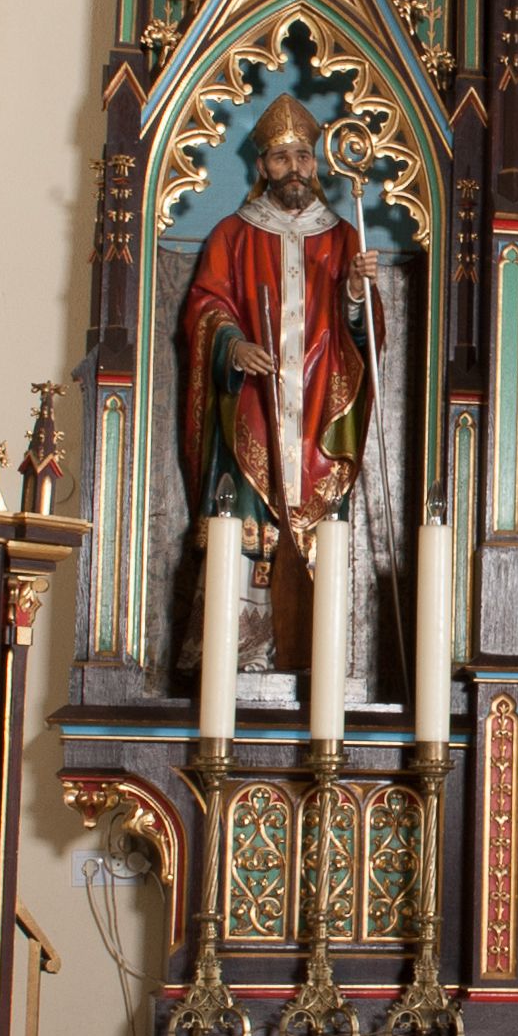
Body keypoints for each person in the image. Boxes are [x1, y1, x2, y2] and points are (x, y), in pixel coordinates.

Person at [181, 95, 382, 652]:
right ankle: (240, 655)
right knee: (245, 524)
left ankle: (314, 655)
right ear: (261, 166)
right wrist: (233, 345)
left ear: (316, 163)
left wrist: (356, 294)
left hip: (318, 412)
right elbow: (206, 307)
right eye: (280, 157)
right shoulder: (233, 234)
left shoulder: (345, 237)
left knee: (321, 535)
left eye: (302, 156)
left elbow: (365, 340)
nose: (294, 168)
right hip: (255, 405)